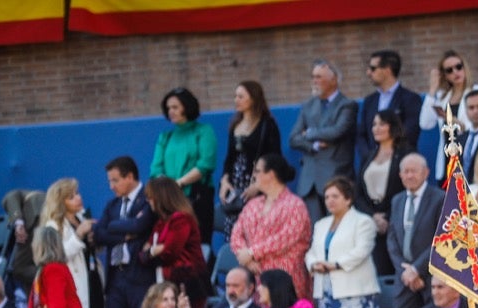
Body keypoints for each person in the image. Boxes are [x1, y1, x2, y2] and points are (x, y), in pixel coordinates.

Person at [306, 176, 380, 308]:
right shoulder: (321, 224)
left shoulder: (363, 221)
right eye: (327, 197)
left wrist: (335, 264)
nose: (330, 201)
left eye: (335, 196)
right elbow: (311, 252)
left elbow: (362, 250)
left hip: (354, 291)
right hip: (327, 292)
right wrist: (313, 264)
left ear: (348, 199)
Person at [92, 156, 157, 308]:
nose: (111, 186)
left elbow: (139, 226)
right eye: (110, 181)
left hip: (140, 277)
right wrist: (123, 235)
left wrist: (112, 227)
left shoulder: (148, 199)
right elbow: (98, 234)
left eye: (115, 180)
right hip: (115, 280)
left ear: (130, 177)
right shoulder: (112, 205)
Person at [231, 154, 313, 300]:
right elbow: (236, 234)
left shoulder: (295, 205)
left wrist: (252, 252)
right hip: (255, 278)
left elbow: (286, 238)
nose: (253, 175)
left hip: (285, 279)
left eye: (257, 171)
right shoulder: (253, 204)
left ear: (271, 175)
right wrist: (247, 259)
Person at [289, 59, 358, 221]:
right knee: (314, 233)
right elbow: (293, 138)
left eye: (319, 77)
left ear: (333, 80)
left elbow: (337, 131)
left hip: (335, 177)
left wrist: (310, 133)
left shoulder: (347, 105)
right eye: (313, 77)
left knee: (339, 229)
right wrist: (313, 145)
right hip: (309, 181)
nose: (314, 81)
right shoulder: (308, 105)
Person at [140, 177, 209, 308]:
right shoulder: (161, 223)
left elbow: (169, 254)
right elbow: (142, 255)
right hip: (168, 285)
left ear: (161, 197)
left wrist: (153, 251)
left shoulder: (181, 219)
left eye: (151, 197)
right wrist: (153, 251)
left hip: (188, 285)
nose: (149, 201)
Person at [152, 87, 217, 240]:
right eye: (168, 108)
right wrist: (169, 188)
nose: (170, 111)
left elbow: (205, 164)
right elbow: (155, 168)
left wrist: (179, 183)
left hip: (197, 197)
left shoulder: (203, 131)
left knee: (196, 243)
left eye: (175, 107)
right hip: (169, 200)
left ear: (187, 107)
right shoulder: (165, 136)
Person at [387, 154, 445, 308]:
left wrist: (417, 269)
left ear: (426, 173)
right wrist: (406, 271)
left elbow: (441, 238)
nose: (409, 175)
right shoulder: (397, 201)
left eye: (414, 171)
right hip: (404, 279)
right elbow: (392, 241)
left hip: (432, 277)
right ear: (400, 175)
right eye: (406, 171)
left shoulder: (439, 198)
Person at [219, 80, 282, 227]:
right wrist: (225, 182)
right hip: (236, 182)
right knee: (235, 227)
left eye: (241, 97)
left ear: (253, 98)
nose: (236, 100)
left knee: (257, 225)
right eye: (235, 96)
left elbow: (275, 158)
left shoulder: (267, 125)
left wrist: (259, 185)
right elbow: (229, 158)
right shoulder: (235, 124)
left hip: (257, 182)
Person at [421, 50, 478, 179]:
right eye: (449, 70)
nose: (455, 72)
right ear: (444, 75)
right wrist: (432, 90)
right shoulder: (442, 97)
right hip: (447, 162)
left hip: (471, 160)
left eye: (458, 67)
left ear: (465, 67)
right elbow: (425, 124)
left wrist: (459, 124)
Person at [359, 110, 409, 280]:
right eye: (374, 124)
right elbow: (358, 191)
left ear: (392, 126)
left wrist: (387, 217)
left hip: (396, 219)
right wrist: (373, 216)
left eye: (381, 124)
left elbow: (406, 188)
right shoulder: (368, 156)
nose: (376, 128)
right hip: (372, 220)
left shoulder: (405, 154)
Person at [39, 178, 96, 308]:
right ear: (60, 203)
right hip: (73, 284)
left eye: (77, 193)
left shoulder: (81, 218)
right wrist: (78, 235)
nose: (78, 198)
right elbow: (56, 257)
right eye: (71, 197)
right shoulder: (52, 225)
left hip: (92, 280)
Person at [358, 50, 423, 170]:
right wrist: (370, 157)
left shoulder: (411, 99)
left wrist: (390, 155)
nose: (368, 72)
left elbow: (410, 132)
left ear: (387, 70)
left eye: (373, 68)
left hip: (400, 166)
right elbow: (362, 134)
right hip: (372, 166)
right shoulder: (369, 101)